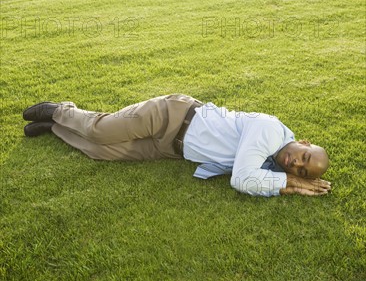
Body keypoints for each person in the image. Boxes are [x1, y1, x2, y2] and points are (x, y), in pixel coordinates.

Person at [23, 94, 331, 198]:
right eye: (303, 156)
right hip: (170, 115)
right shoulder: (269, 131)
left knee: (99, 151)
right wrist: (287, 183)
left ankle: (54, 127)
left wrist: (285, 183)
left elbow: (248, 175)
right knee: (100, 132)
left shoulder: (270, 165)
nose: (295, 164)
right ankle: (60, 110)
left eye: (302, 169)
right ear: (303, 141)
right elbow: (241, 179)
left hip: (170, 148)